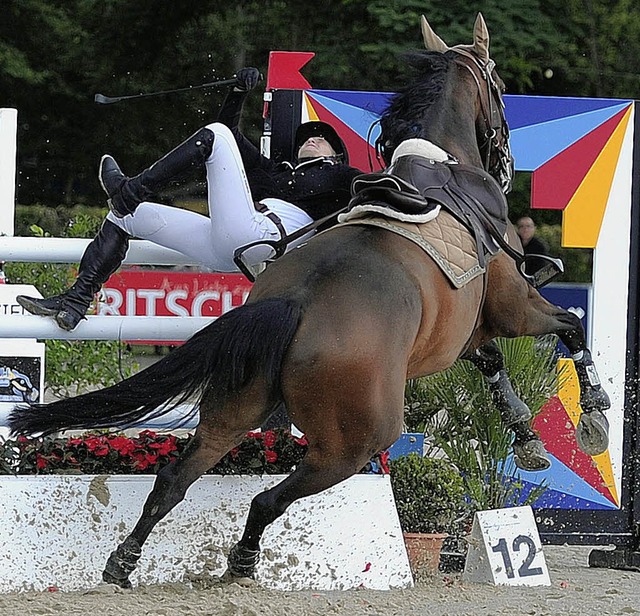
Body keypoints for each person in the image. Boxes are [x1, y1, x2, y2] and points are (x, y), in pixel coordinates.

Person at [17, 67, 362, 331]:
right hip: (230, 246)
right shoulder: (273, 172)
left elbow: (383, 188)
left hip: (266, 238)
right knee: (126, 217)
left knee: (211, 140)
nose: (313, 138)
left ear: (338, 155)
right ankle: (76, 300)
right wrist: (238, 93)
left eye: (322, 138)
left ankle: (132, 190)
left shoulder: (344, 178)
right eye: (309, 135)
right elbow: (226, 132)